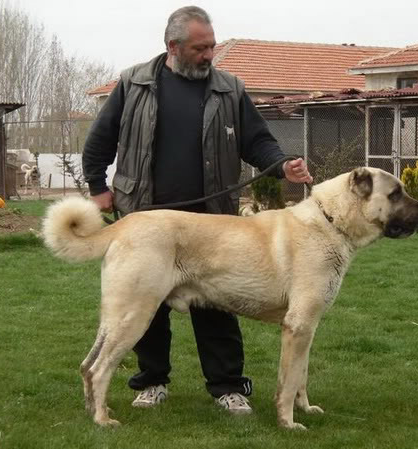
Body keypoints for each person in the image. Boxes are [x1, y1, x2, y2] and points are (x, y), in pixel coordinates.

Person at [82, 5, 312, 415]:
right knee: (144, 311)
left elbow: (258, 141)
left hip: (212, 220)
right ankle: (151, 383)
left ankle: (227, 387)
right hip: (146, 215)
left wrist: (283, 165)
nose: (210, 55)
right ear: (173, 46)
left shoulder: (229, 88)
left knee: (220, 306)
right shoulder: (134, 83)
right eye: (200, 48)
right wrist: (98, 188)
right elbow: (99, 140)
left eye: (212, 46)